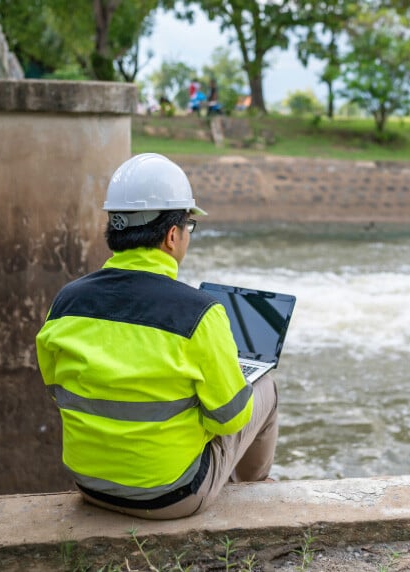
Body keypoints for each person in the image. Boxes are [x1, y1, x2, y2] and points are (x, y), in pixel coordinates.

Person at [36, 153, 279, 519]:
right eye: (188, 228)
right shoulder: (200, 313)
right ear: (171, 236)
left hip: (89, 484)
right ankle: (254, 492)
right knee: (265, 388)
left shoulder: (66, 301)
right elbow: (229, 420)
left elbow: (57, 388)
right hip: (170, 496)